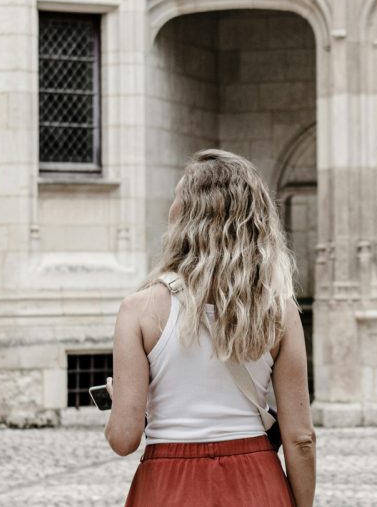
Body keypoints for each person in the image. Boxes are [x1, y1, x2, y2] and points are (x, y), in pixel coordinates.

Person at [103, 149, 316, 506]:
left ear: (184, 216)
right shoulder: (278, 311)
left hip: (168, 485)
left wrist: (125, 401)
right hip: (256, 481)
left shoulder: (138, 310)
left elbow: (123, 439)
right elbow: (301, 439)